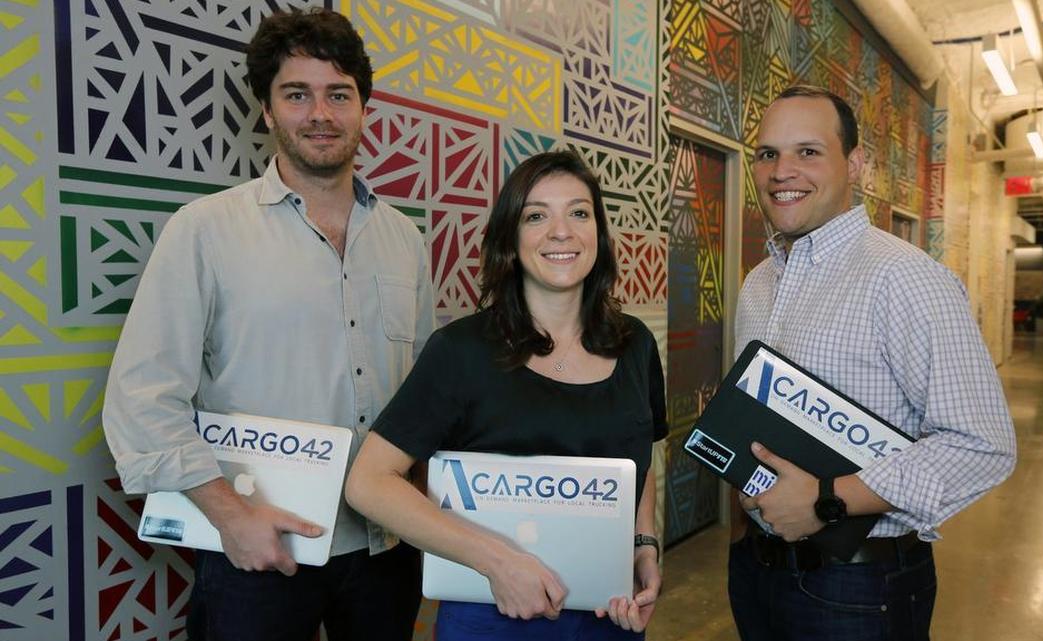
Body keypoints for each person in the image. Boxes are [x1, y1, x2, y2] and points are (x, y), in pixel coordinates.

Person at [102, 8, 433, 641]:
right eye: (296, 94)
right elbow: (140, 399)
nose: (320, 113)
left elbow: (422, 396)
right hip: (256, 547)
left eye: (339, 94)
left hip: (386, 549)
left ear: (364, 109)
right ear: (267, 111)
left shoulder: (404, 241)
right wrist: (230, 515)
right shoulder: (204, 231)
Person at [728, 85, 1017, 641]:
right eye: (768, 154)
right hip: (756, 569)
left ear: (855, 163)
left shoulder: (904, 278)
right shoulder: (759, 283)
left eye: (808, 151)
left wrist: (829, 499)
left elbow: (981, 445)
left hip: (857, 589)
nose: (782, 170)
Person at [345, 150, 667, 640]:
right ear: (510, 241)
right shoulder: (462, 351)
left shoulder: (636, 345)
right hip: (492, 615)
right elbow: (369, 482)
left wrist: (645, 546)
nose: (562, 231)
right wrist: (497, 561)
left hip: (610, 616)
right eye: (536, 216)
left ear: (598, 236)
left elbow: (637, 461)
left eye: (579, 213)